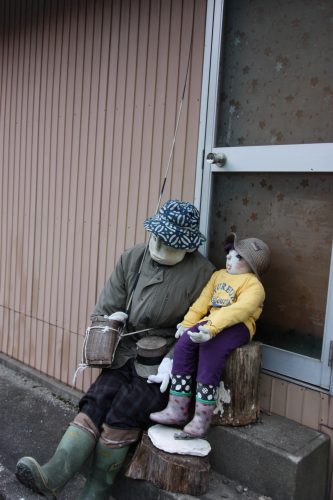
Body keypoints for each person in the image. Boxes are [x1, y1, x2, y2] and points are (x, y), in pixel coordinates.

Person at [15, 200, 215, 500]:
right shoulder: (133, 258)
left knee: (123, 410)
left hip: (161, 367)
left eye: (169, 242)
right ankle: (53, 475)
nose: (159, 245)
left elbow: (203, 329)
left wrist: (175, 361)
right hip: (124, 352)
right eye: (157, 236)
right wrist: (111, 320)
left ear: (187, 247)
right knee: (96, 401)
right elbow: (106, 306)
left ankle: (94, 493)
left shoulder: (203, 275)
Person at [150, 233, 270, 439]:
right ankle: (177, 408)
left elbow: (239, 310)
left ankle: (201, 418)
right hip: (211, 323)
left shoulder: (254, 286)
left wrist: (212, 328)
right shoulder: (218, 275)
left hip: (238, 326)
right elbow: (203, 301)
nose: (229, 260)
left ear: (251, 264)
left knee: (211, 350)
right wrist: (188, 324)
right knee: (184, 343)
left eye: (237, 257)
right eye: (229, 255)